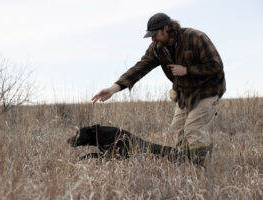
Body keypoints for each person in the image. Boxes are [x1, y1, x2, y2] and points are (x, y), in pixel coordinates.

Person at [92, 13, 226, 166]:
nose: (152, 38)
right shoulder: (157, 49)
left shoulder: (196, 37)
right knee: (177, 131)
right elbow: (139, 69)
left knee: (193, 130)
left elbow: (216, 66)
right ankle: (186, 167)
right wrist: (113, 89)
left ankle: (202, 170)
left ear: (167, 28)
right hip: (184, 94)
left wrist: (187, 70)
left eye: (155, 34)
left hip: (208, 91)